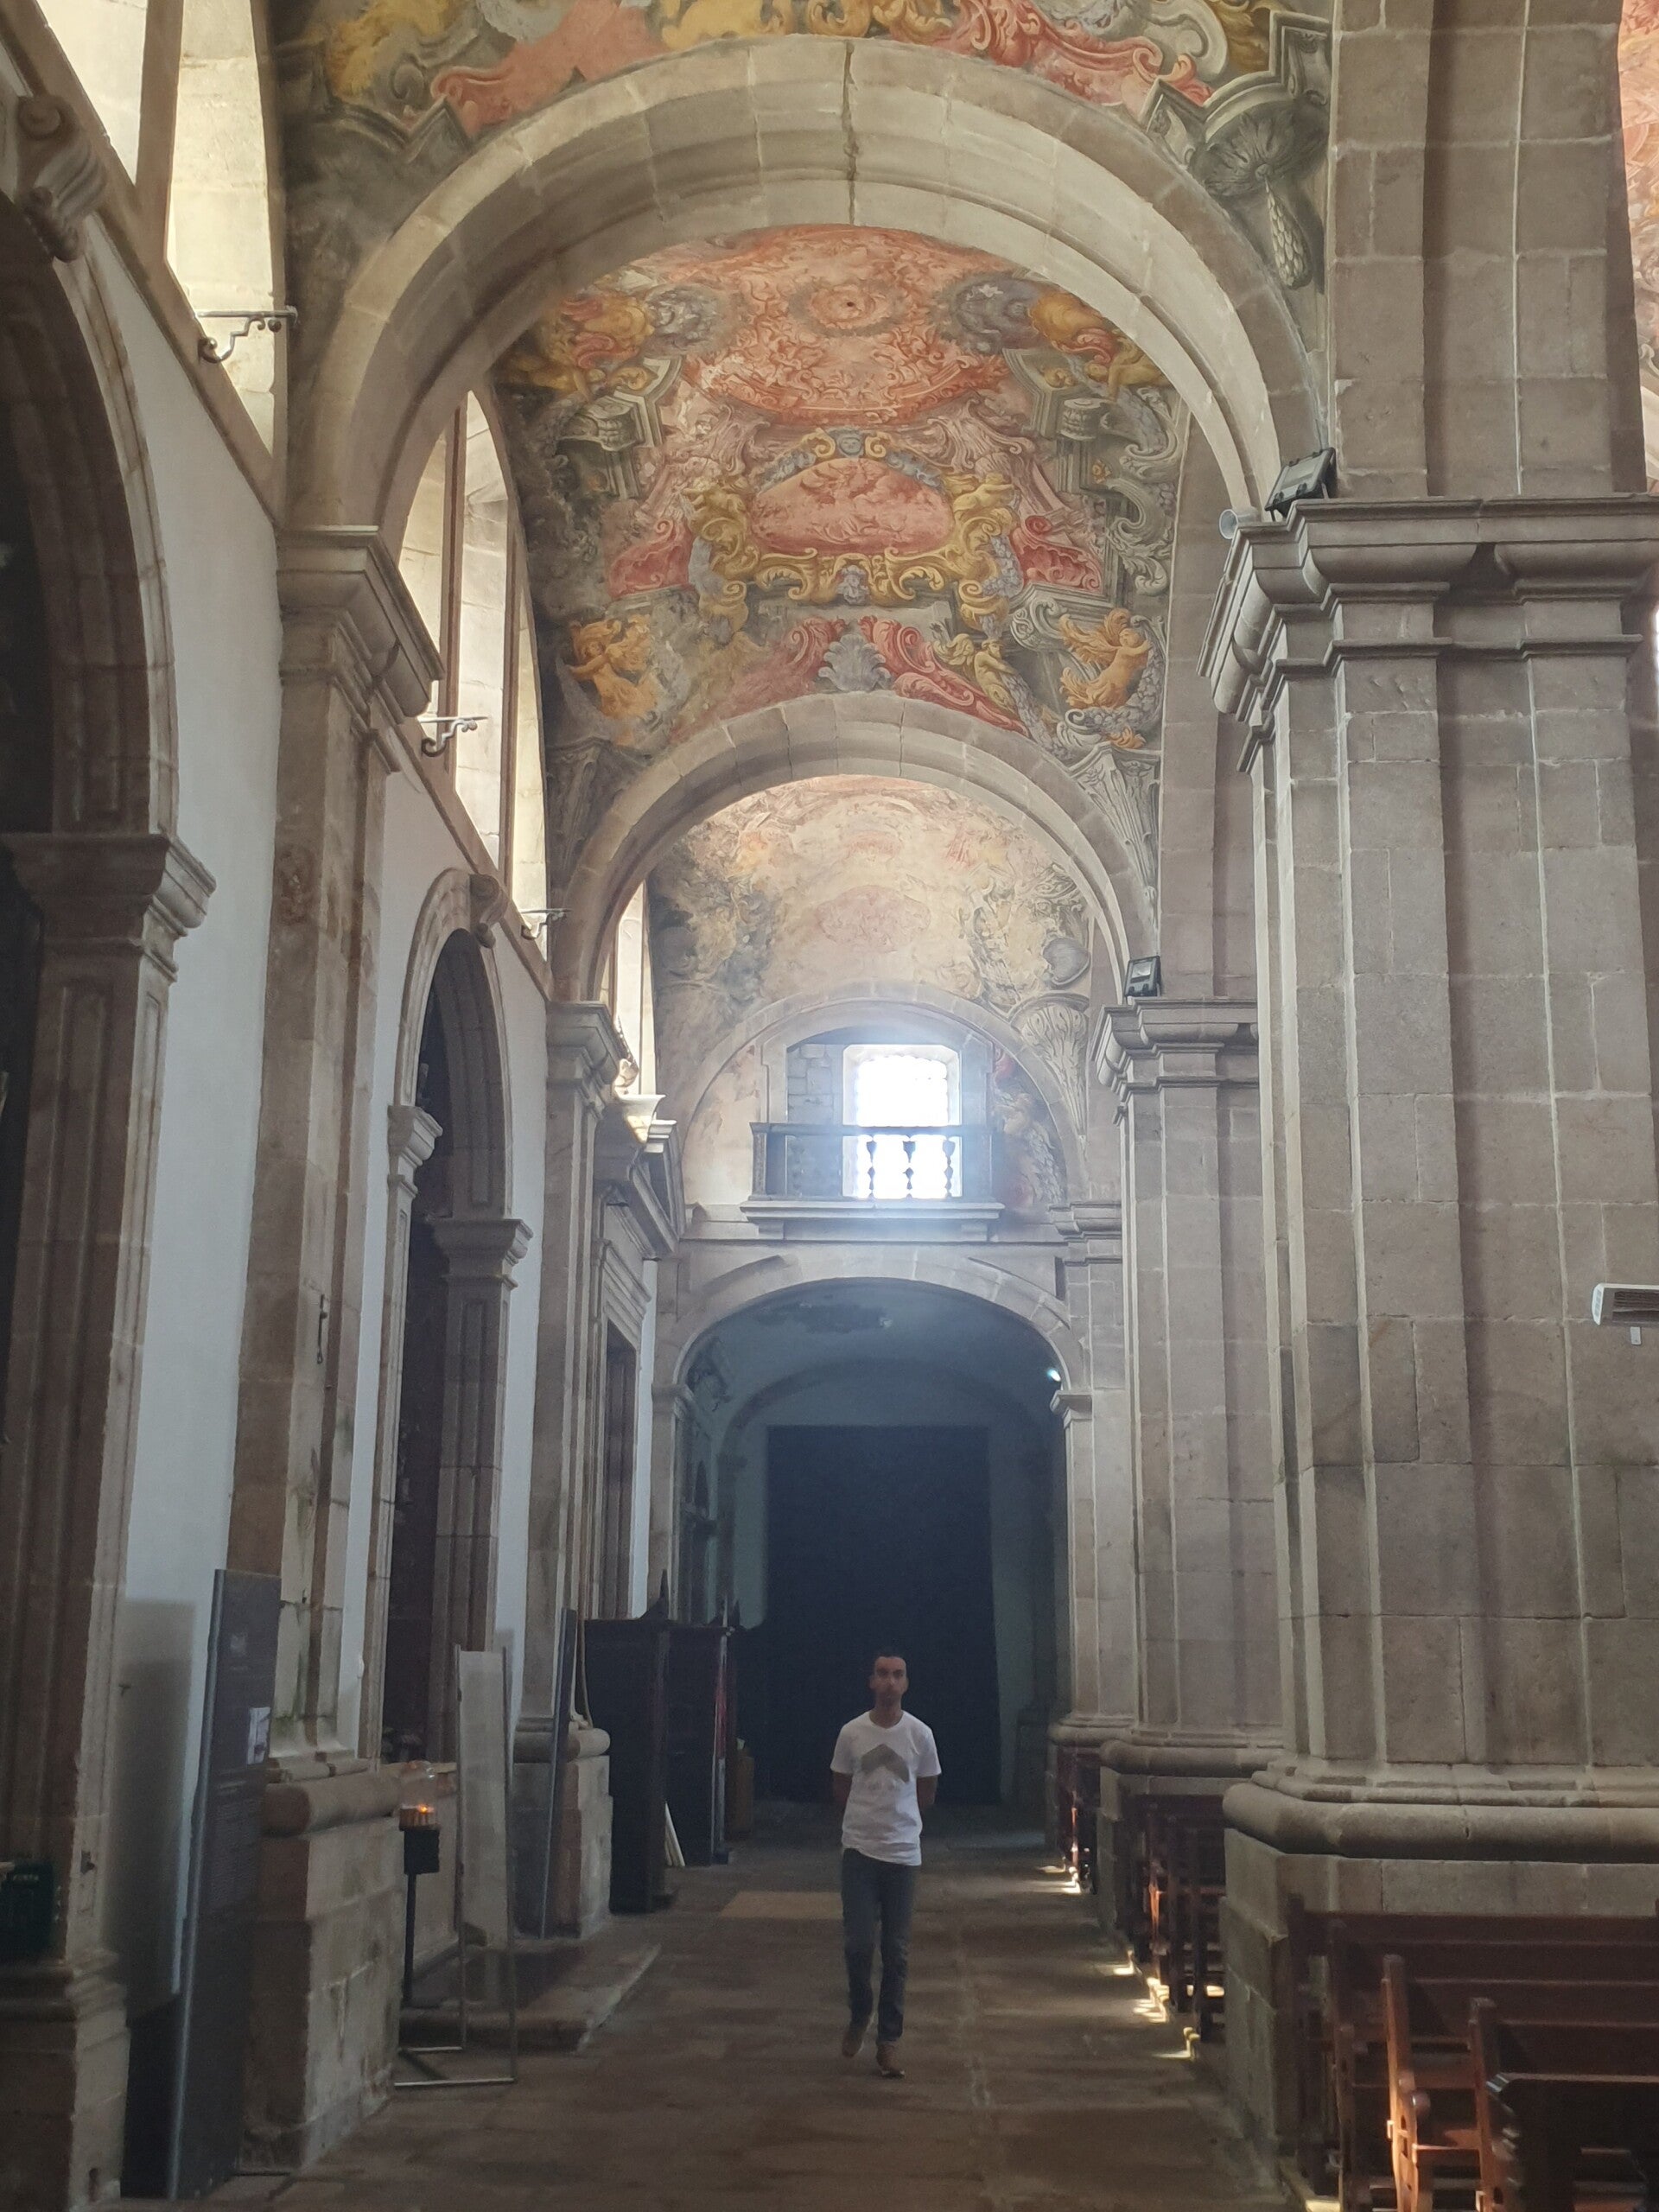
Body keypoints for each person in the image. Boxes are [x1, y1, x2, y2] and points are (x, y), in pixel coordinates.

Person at [830, 1649, 941, 2078]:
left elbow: (926, 1791)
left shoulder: (920, 1735)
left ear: (906, 1683)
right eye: (882, 1674)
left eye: (897, 1674)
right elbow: (841, 1786)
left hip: (902, 1854)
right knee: (858, 1944)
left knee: (896, 1952)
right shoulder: (852, 1732)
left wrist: (902, 1823)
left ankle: (889, 2041)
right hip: (860, 1851)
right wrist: (864, 1821)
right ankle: (861, 2011)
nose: (890, 1681)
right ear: (871, 1681)